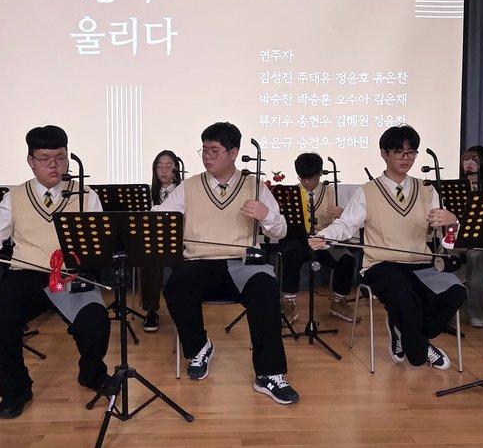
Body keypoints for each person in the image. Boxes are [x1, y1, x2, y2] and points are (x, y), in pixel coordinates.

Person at [0, 125, 111, 419]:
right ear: (30, 160)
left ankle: (91, 373)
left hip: (69, 275)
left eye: (60, 158)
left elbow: (97, 240)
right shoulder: (15, 196)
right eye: (45, 159)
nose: (54, 165)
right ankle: (15, 390)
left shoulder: (85, 194)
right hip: (26, 273)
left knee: (96, 322)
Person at [157, 122, 300, 405]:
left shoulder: (254, 186)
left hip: (242, 263)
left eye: (214, 151)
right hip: (199, 261)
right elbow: (161, 217)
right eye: (204, 150)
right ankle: (199, 347)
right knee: (175, 287)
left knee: (266, 289)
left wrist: (265, 215)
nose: (207, 156)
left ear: (234, 153)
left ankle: (269, 374)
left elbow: (280, 231)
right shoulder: (188, 187)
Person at [310, 126, 466, 370]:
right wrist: (325, 236)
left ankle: (405, 331)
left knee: (456, 292)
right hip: (381, 264)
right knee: (404, 297)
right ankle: (420, 348)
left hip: (421, 263)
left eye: (411, 152)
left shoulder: (427, 190)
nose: (406, 158)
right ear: (384, 153)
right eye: (399, 152)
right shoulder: (367, 192)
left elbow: (447, 236)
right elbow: (346, 224)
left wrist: (453, 221)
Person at [277, 152, 357, 324]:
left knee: (347, 259)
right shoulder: (291, 193)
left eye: (311, 178)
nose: (307, 183)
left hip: (324, 239)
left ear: (320, 174)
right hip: (299, 239)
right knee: (291, 253)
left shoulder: (331, 192)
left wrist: (342, 213)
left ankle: (338, 302)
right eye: (302, 178)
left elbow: (349, 220)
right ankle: (289, 304)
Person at [141, 149, 180, 332]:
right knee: (148, 260)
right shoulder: (146, 194)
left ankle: (183, 308)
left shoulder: (184, 191)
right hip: (154, 242)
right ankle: (151, 310)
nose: (164, 170)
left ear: (176, 169)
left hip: (179, 241)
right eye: (159, 166)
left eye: (169, 166)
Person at [459, 145, 483, 328]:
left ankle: (475, 311)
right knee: (444, 255)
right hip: (458, 240)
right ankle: (445, 307)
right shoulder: (456, 189)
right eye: (466, 159)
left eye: (475, 160)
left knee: (478, 257)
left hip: (482, 243)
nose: (469, 163)